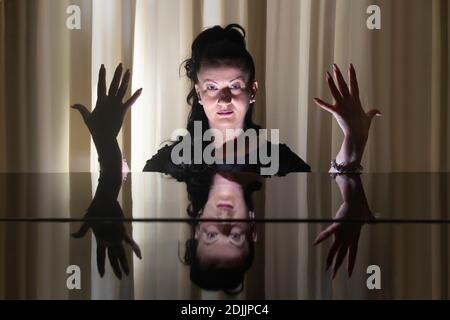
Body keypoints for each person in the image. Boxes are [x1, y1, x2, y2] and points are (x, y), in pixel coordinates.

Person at [71, 24, 381, 176]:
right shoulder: (172, 159)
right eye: (211, 87)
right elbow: (129, 209)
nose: (224, 98)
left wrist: (353, 146)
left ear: (252, 92)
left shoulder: (278, 158)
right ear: (198, 93)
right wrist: (106, 144)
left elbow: (324, 209)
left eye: (234, 86)